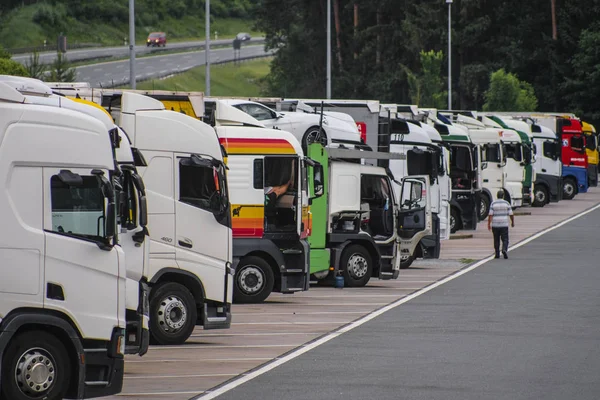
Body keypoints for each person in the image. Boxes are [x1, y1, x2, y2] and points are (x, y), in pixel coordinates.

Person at [487, 190, 514, 259]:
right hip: (504, 224)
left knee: (496, 239)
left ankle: (497, 254)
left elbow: (490, 215)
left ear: (497, 196)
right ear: (503, 196)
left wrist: (489, 223)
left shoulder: (493, 203)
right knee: (505, 239)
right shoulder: (506, 203)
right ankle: (504, 249)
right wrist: (512, 222)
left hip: (495, 225)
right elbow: (511, 214)